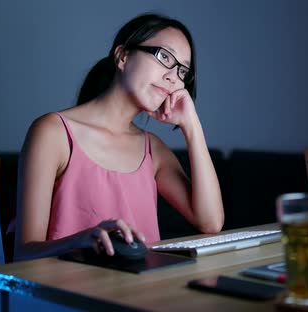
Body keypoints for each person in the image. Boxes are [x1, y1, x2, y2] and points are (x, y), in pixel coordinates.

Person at [13, 13, 224, 261]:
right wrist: (80, 241)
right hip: (69, 295)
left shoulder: (152, 149)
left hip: (141, 294)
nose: (173, 77)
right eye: (164, 57)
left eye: (182, 71)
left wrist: (192, 126)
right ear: (123, 56)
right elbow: (23, 253)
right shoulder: (53, 133)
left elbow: (211, 222)